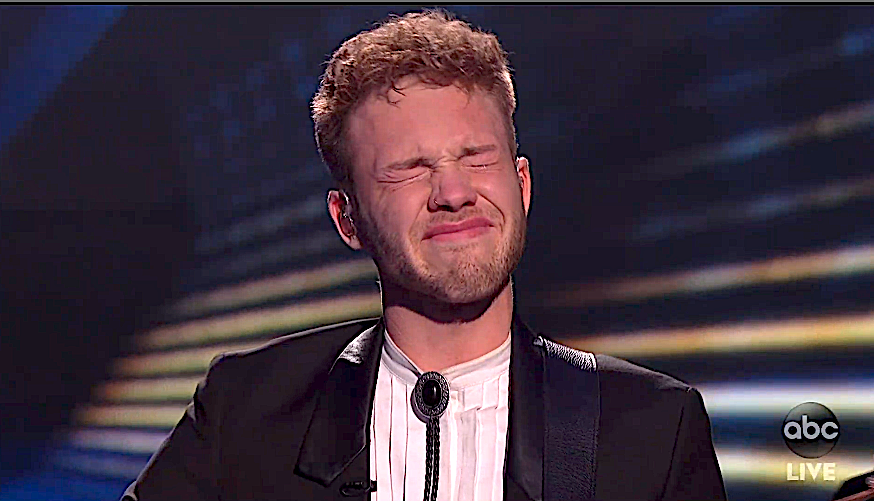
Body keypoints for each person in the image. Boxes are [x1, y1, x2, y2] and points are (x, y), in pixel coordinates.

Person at [122, 9, 726, 501]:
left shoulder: (653, 430)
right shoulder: (246, 412)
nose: (454, 193)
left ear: (522, 185)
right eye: (410, 171)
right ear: (347, 220)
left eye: (476, 158)